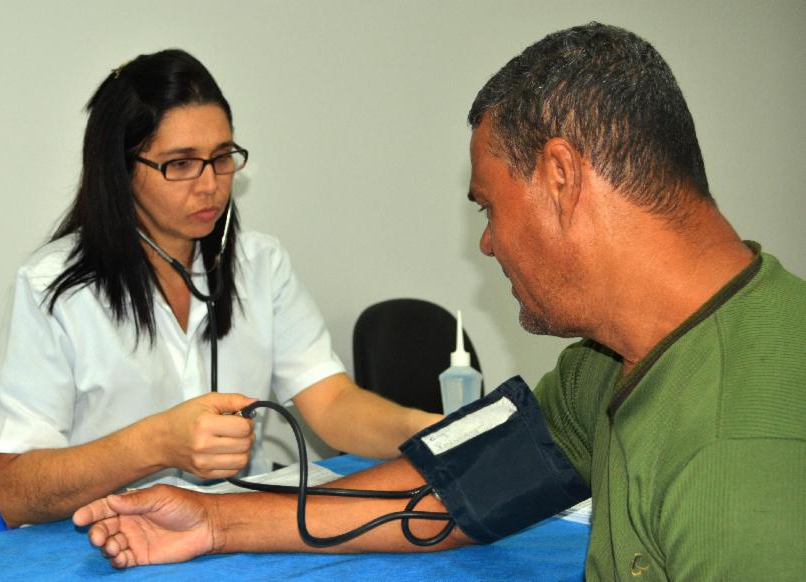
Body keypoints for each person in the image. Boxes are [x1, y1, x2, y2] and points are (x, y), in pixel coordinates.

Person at [72, 23, 806, 580]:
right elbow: (461, 482)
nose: (486, 245)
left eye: (488, 207)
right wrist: (215, 520)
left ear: (560, 177)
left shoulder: (741, 453)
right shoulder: (609, 364)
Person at [0, 49, 440, 528]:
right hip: (103, 545)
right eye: (180, 164)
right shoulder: (52, 288)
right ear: (120, 171)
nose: (210, 186)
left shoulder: (260, 264)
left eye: (221, 157)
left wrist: (427, 429)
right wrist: (157, 443)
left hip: (233, 534)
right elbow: (16, 494)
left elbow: (332, 404)